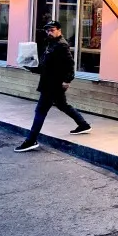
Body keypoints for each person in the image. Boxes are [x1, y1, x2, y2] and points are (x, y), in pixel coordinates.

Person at [15, 21, 92, 152]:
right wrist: (29, 66)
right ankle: (83, 125)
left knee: (40, 111)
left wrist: (67, 80)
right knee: (63, 105)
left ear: (59, 30)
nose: (49, 32)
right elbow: (46, 66)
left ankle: (31, 140)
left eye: (52, 30)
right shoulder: (51, 44)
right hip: (49, 82)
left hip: (52, 85)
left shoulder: (61, 45)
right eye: (48, 30)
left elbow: (70, 64)